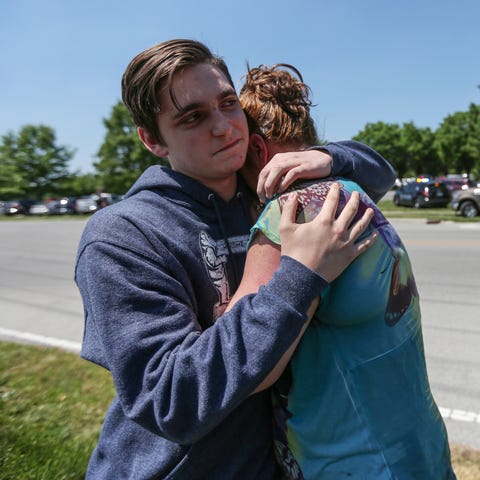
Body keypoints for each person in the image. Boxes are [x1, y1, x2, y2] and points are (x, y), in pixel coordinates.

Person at [74, 39, 396, 479]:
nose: (225, 127)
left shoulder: (260, 195)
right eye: (193, 117)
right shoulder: (122, 235)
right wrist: (301, 275)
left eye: (228, 104)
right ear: (152, 140)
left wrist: (325, 156)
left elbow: (379, 173)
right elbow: (172, 400)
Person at [229, 63, 456, 479]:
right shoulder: (352, 191)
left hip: (349, 464)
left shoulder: (288, 215)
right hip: (420, 450)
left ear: (259, 151)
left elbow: (243, 362)